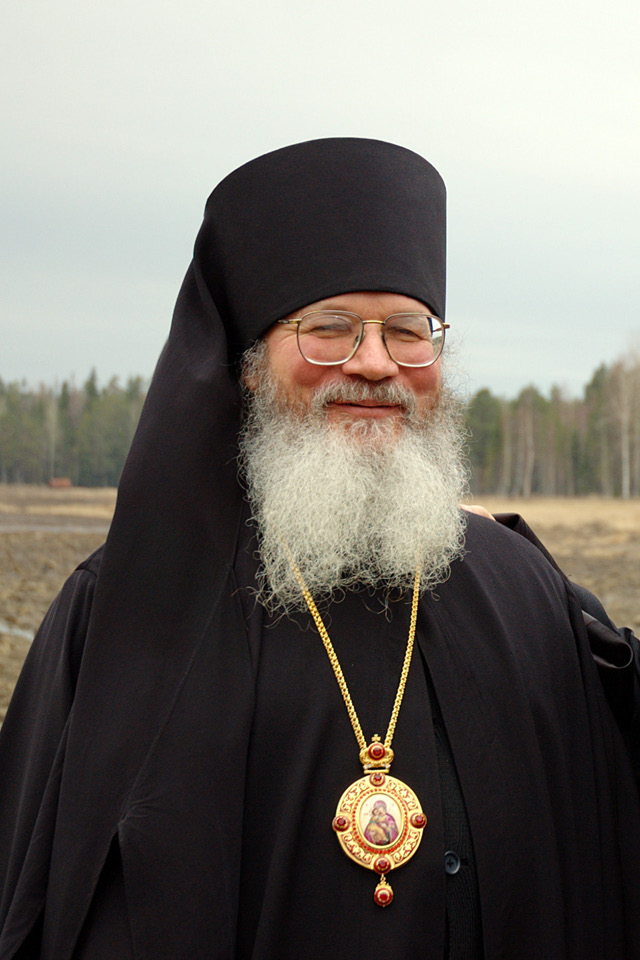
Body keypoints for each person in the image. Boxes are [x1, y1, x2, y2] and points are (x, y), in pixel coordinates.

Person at [0, 138, 638, 960]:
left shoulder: (527, 593)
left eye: (409, 331)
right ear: (247, 367)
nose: (375, 363)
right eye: (329, 329)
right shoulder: (127, 612)